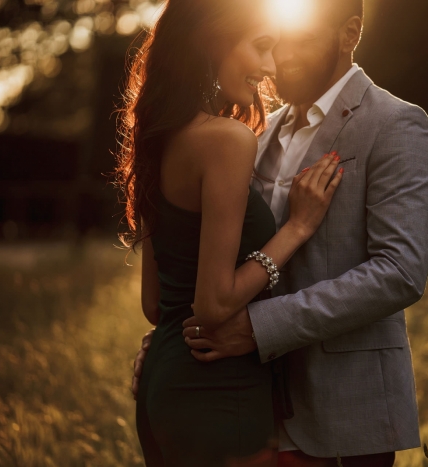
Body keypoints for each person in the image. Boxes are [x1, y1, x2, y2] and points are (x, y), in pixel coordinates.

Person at [133, 0, 428, 465]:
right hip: (246, 403)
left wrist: (258, 330)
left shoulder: (396, 124)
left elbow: (399, 272)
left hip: (340, 413)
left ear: (349, 33)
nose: (279, 61)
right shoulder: (251, 132)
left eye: (300, 40)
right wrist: (171, 342)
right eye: (272, 42)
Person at [115, 0, 345, 465]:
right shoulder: (227, 139)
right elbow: (214, 305)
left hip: (163, 385)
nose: (270, 67)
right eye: (261, 47)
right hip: (217, 391)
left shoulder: (158, 139)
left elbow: (156, 305)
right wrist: (296, 228)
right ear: (211, 40)